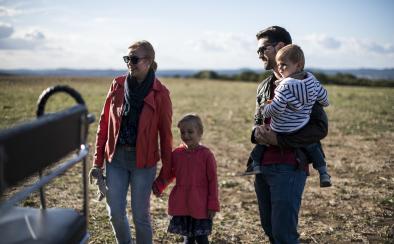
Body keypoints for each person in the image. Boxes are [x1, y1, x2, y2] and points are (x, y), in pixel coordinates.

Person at [250, 26, 329, 243]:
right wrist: (256, 133)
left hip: (290, 167)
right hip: (262, 166)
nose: (258, 54)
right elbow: (258, 119)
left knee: (285, 234)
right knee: (270, 230)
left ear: (281, 47)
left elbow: (320, 128)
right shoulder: (264, 86)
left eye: (263, 48)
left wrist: (280, 139)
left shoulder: (305, 83)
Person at [90, 40, 173, 244]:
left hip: (143, 164)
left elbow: (166, 136)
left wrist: (163, 178)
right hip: (115, 159)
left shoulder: (161, 94)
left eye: (134, 59)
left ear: (148, 61)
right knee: (115, 214)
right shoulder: (117, 85)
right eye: (127, 58)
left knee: (140, 217)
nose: (129, 63)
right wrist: (97, 162)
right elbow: (104, 125)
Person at [244, 44, 332, 188]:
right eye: (279, 65)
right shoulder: (312, 82)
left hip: (288, 154)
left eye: (283, 65)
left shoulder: (283, 86)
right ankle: (323, 172)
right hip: (300, 124)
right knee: (313, 147)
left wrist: (266, 108)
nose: (280, 68)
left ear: (298, 65)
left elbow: (275, 109)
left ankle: (255, 164)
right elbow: (325, 100)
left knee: (264, 141)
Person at [152, 114, 220, 244]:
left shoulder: (206, 155)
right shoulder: (177, 154)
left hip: (201, 203)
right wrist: (159, 186)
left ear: (200, 133)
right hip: (183, 202)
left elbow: (213, 181)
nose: (186, 135)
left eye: (190, 132)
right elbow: (169, 174)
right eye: (183, 132)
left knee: (201, 238)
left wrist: (213, 204)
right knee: (187, 238)